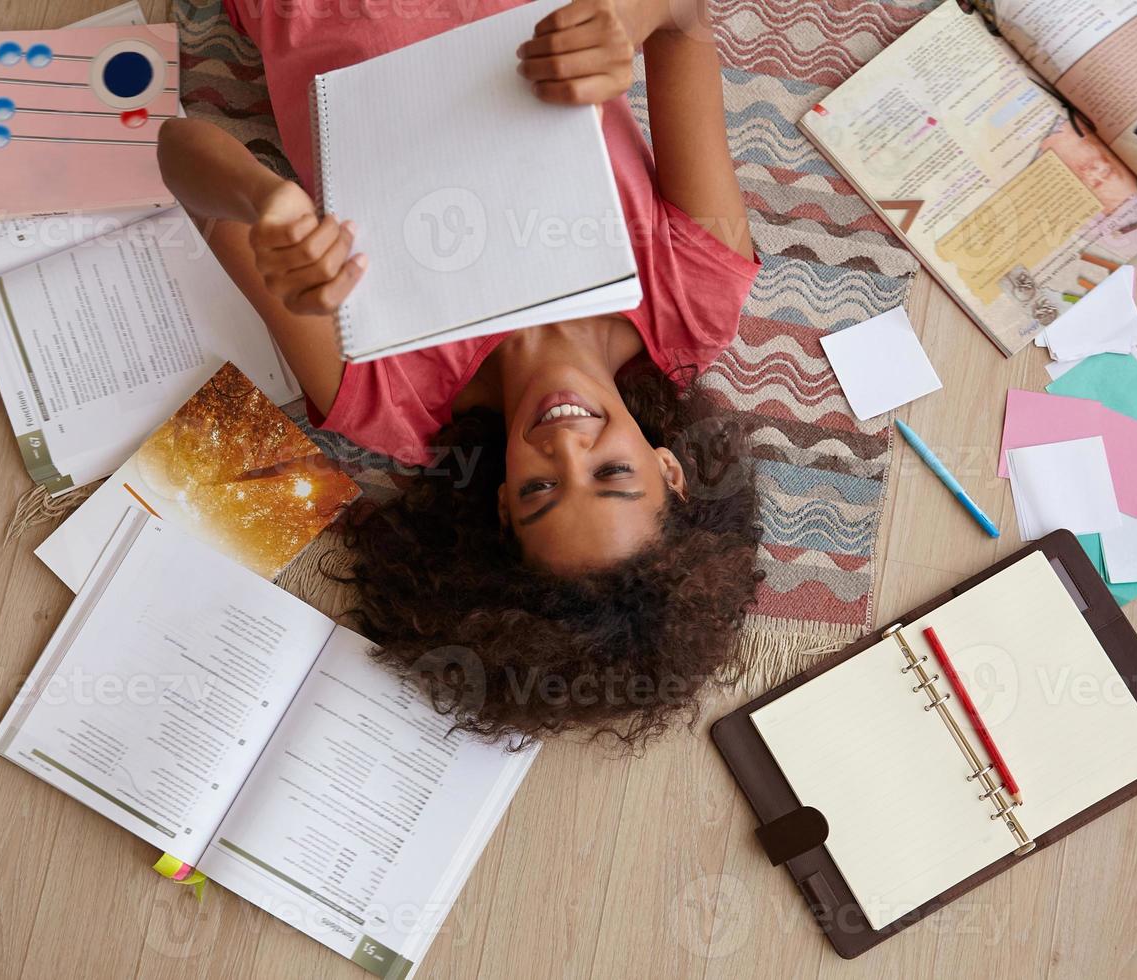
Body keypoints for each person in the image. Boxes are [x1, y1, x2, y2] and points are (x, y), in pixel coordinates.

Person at [156, 0, 763, 746]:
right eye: (610, 473)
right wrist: (631, 17)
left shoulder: (380, 394)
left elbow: (177, 151)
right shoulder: (695, 300)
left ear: (503, 505)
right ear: (670, 470)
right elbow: (688, 22)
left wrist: (265, 201)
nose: (566, 444)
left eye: (541, 490)